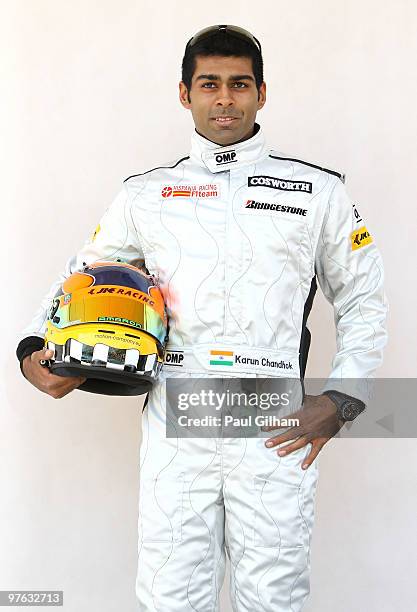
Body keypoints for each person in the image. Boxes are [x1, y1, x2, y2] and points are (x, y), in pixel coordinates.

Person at [16, 24, 388, 612]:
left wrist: (344, 398)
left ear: (262, 93)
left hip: (274, 420)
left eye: (239, 85)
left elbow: (365, 300)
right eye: (209, 84)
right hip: (175, 414)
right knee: (170, 598)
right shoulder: (146, 193)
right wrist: (35, 348)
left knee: (274, 598)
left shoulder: (318, 192)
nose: (225, 99)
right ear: (185, 93)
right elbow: (82, 274)